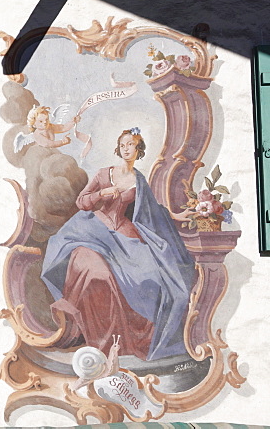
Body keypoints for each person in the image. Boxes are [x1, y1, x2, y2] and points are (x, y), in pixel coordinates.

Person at [40, 128, 196, 361]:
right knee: (98, 273)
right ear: (118, 148)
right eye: (122, 144)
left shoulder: (140, 180)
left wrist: (177, 216)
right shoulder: (105, 174)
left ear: (138, 150)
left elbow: (154, 210)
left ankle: (132, 337)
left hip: (122, 232)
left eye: (130, 145)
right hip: (92, 229)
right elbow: (81, 201)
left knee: (150, 275)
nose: (126, 148)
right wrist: (101, 194)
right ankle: (101, 337)